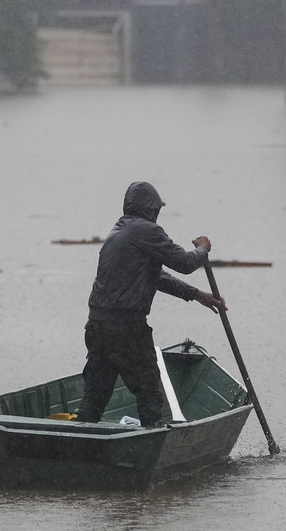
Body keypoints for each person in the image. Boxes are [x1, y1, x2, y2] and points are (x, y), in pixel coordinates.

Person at [77, 181, 225, 427]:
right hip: (127, 329)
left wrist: (197, 295)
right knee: (149, 394)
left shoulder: (118, 231)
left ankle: (76, 445)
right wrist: (202, 249)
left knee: (95, 396)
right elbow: (186, 263)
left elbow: (155, 276)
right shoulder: (148, 231)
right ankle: (151, 447)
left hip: (98, 326)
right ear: (151, 209)